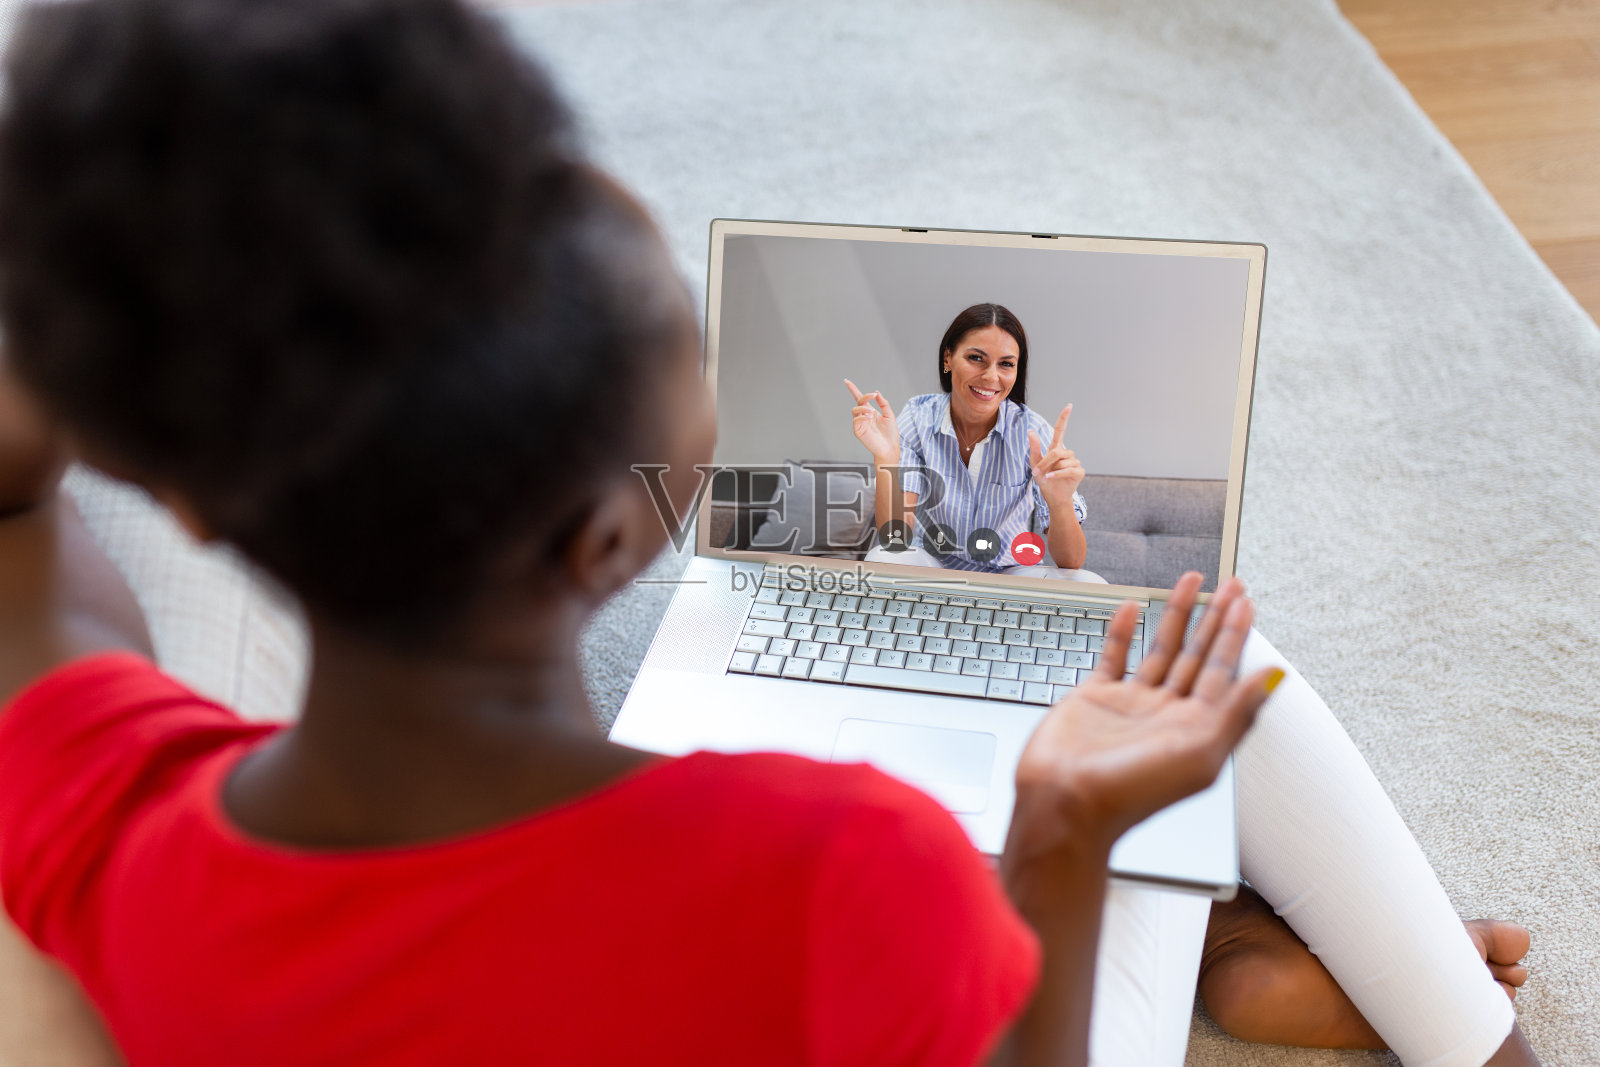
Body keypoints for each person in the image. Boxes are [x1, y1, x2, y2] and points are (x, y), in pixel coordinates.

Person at [0, 1, 1540, 1065]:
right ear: (611, 539)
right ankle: (1459, 1028)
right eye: (693, 358)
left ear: (185, 496)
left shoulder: (125, 837)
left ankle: (1223, 941)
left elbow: (22, 524)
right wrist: (1062, 841)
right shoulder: (838, 871)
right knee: (1192, 665)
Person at [846, 302, 1096, 578]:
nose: (991, 376)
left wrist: (1060, 502)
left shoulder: (1033, 432)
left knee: (1085, 580)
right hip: (931, 570)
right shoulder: (918, 417)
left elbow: (1070, 561)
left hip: (1008, 572)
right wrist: (886, 459)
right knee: (882, 557)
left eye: (1006, 364)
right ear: (948, 358)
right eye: (976, 358)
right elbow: (896, 538)